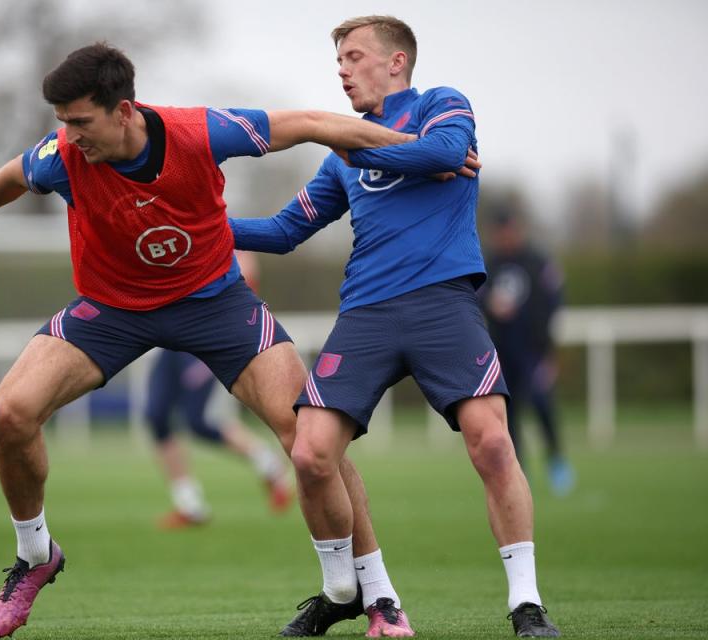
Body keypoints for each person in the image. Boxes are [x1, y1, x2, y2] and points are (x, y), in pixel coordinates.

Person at [0, 42, 423, 639]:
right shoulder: (62, 156)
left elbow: (313, 124)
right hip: (112, 308)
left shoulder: (199, 132)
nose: (69, 136)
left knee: (311, 436)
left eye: (81, 122)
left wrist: (421, 153)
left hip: (215, 301)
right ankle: (35, 555)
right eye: (61, 123)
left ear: (125, 111)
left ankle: (379, 598)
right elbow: (13, 173)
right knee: (9, 413)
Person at [229, 16, 561, 638]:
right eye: (339, 62)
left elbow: (442, 150)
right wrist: (205, 228)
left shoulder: (441, 104)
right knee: (310, 454)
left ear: (397, 61)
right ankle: (347, 591)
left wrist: (365, 145)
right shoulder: (342, 155)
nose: (343, 70)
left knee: (491, 442)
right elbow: (282, 231)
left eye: (354, 57)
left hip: (443, 306)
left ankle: (526, 603)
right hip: (366, 314)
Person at [146, 251, 293, 528]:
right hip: (170, 332)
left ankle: (269, 464)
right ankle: (190, 505)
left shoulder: (227, 237)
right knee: (156, 416)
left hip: (204, 335)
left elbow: (246, 281)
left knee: (197, 421)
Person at [481, 207, 574, 496]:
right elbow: (474, 296)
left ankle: (557, 460)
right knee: (508, 415)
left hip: (533, 351)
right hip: (500, 352)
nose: (505, 237)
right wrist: (490, 306)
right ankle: (518, 470)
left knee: (542, 404)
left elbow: (554, 300)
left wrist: (549, 351)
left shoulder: (537, 261)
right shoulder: (488, 264)